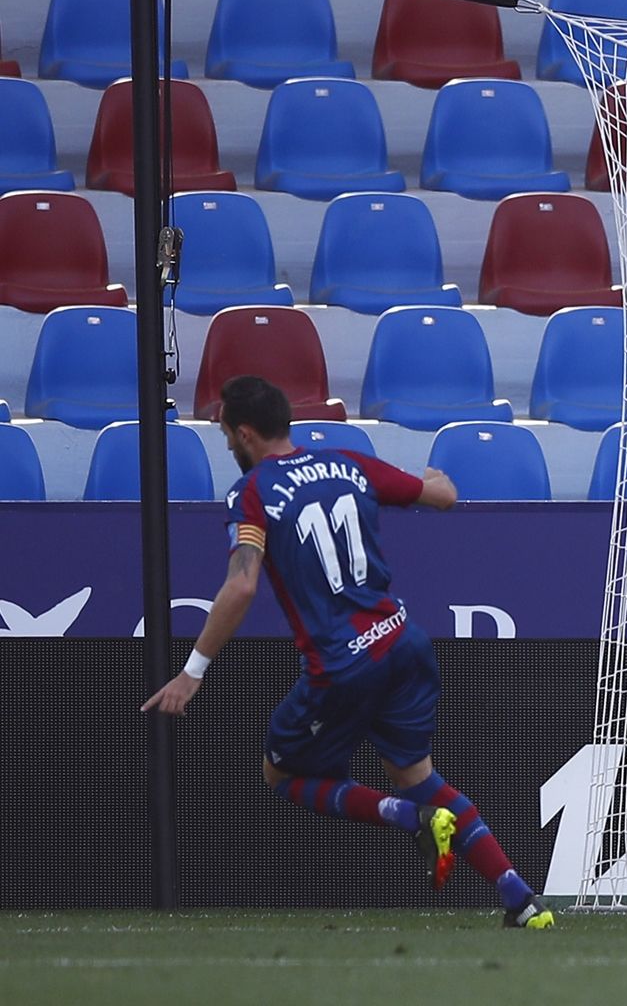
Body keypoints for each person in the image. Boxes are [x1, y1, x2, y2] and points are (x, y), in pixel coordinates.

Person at [142, 376, 554, 929]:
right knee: (416, 771)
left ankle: (412, 819)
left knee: (280, 773)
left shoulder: (253, 492)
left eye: (226, 436)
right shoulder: (348, 462)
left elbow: (241, 586)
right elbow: (444, 496)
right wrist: (430, 477)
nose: (227, 447)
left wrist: (193, 672)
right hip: (403, 642)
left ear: (243, 433)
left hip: (343, 661)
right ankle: (519, 897)